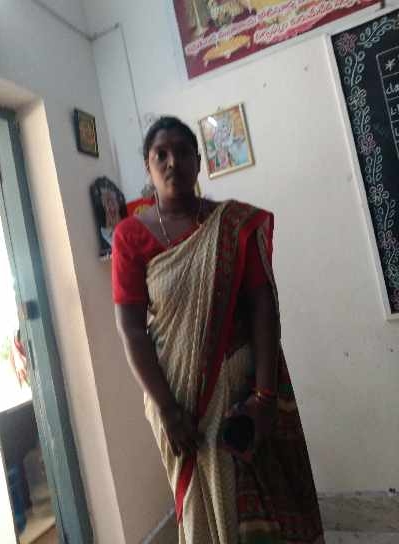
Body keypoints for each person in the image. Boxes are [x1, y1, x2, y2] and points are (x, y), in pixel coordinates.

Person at [112, 116, 324, 543]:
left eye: (182, 152)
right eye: (160, 155)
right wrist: (168, 409)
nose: (173, 162)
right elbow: (131, 329)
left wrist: (264, 397)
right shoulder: (130, 236)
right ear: (148, 166)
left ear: (198, 160)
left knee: (251, 505)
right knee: (198, 509)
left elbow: (263, 306)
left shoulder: (232, 224)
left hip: (237, 394)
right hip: (173, 399)